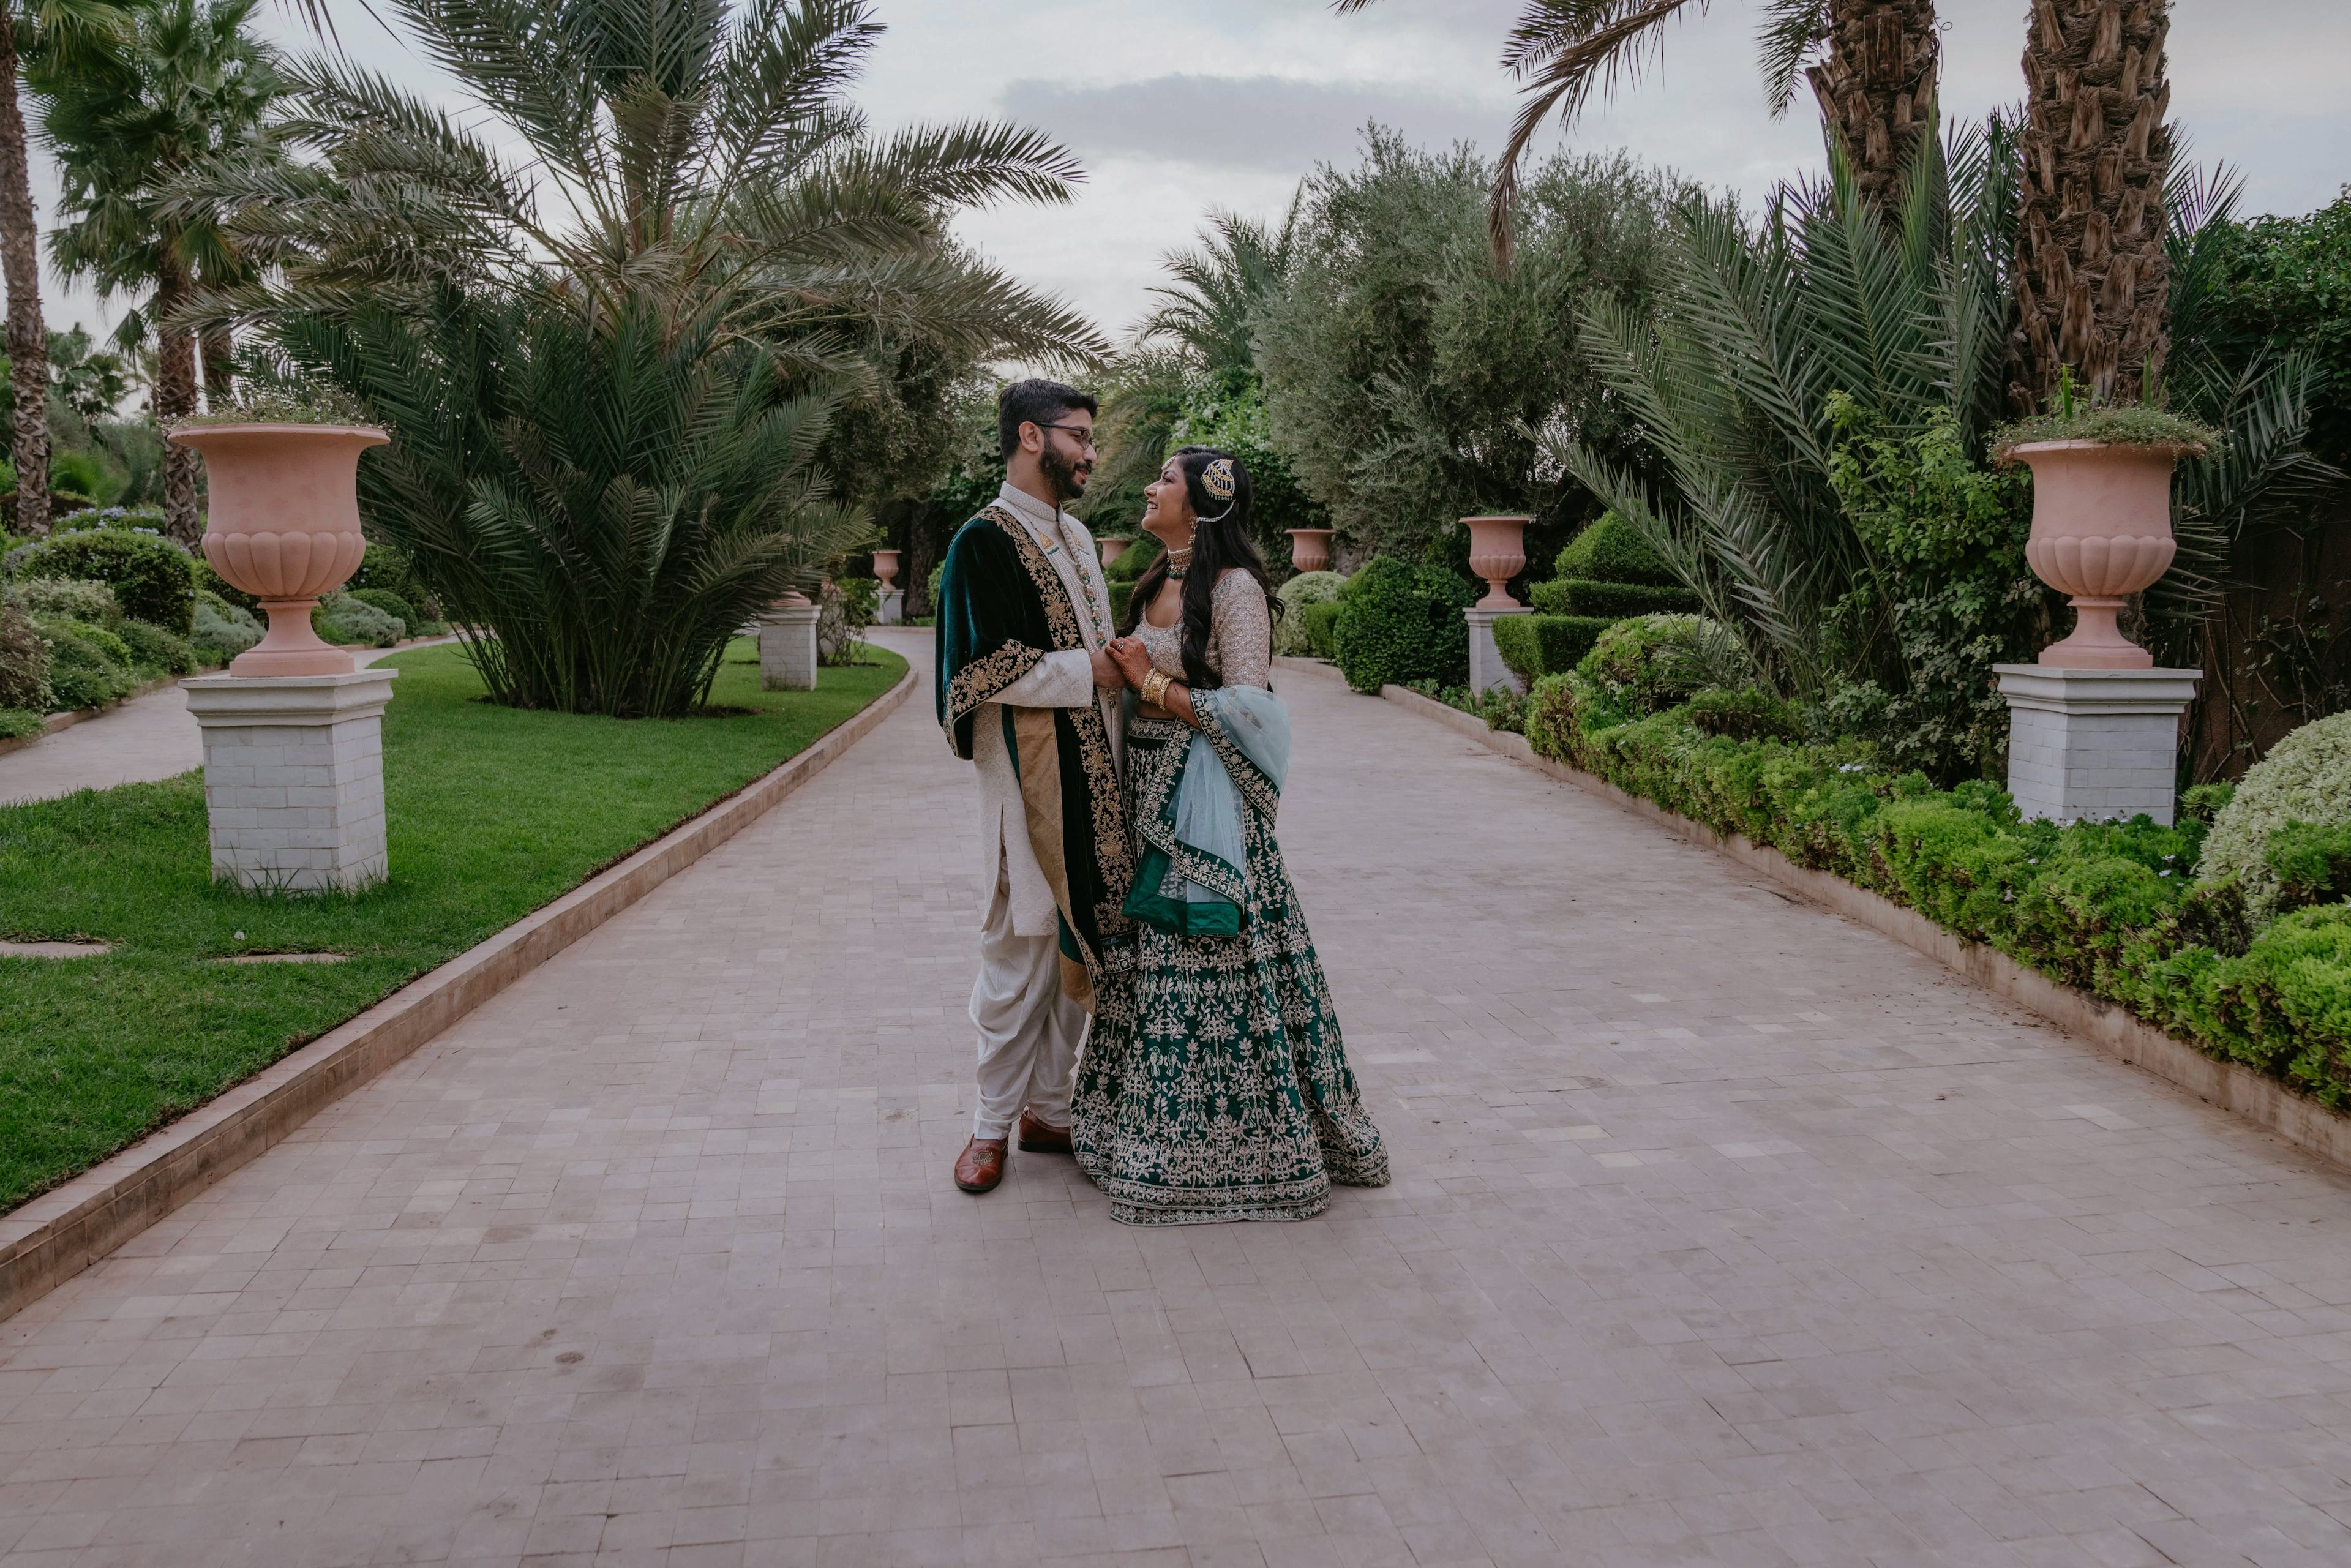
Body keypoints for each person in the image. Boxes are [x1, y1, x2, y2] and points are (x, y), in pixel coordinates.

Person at [1074, 448, 1388, 1225]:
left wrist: (1149, 680)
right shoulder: (1154, 578)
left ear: (1205, 499)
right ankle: (1142, 1132)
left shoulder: (1236, 588)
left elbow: (1252, 709)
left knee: (1211, 956)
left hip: (1207, 805)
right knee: (1151, 956)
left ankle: (1243, 1154)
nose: (1150, 488)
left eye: (1166, 480)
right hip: (1143, 787)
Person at [932, 379, 1134, 1196]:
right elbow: (976, 670)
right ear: (1030, 437)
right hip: (1027, 783)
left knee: (1080, 941)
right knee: (1019, 949)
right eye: (1079, 435)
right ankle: (988, 1125)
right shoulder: (982, 541)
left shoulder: (1079, 537)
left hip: (1097, 775)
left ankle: (1050, 1108)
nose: (1090, 451)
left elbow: (1104, 645)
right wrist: (1085, 671)